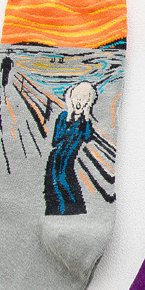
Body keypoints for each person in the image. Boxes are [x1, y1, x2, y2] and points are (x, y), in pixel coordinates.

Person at [44, 82, 97, 215]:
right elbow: (56, 140)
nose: (79, 102)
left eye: (83, 99)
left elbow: (87, 137)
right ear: (71, 99)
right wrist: (69, 119)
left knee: (68, 186)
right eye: (76, 98)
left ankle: (74, 212)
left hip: (69, 161)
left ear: (88, 102)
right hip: (56, 159)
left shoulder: (85, 122)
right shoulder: (63, 117)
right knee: (55, 187)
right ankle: (57, 212)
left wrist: (86, 116)